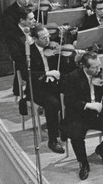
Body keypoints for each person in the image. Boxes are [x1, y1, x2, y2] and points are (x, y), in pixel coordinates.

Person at [61, 51, 103, 180]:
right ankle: (83, 163)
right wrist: (87, 105)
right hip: (79, 115)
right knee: (76, 135)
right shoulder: (72, 77)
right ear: (84, 67)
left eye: (99, 65)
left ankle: (102, 150)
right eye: (95, 67)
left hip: (99, 115)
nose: (99, 69)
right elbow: (69, 101)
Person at [23, 23, 75, 153]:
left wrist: (72, 58)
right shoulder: (28, 52)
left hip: (54, 83)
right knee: (53, 104)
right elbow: (26, 74)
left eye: (48, 36)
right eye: (43, 38)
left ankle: (65, 128)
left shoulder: (54, 48)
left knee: (73, 95)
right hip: (38, 87)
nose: (48, 40)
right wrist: (46, 73)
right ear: (35, 39)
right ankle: (52, 140)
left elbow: (65, 68)